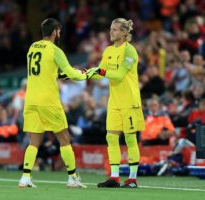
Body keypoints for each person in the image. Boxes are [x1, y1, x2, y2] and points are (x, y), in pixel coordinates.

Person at [18, 18, 96, 188]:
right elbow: (74, 75)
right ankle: (73, 178)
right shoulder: (55, 50)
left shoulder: (33, 47)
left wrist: (62, 75)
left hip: (31, 100)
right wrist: (88, 74)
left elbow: (47, 73)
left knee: (34, 141)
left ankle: (25, 178)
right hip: (48, 101)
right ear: (54, 32)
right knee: (64, 138)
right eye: (59, 31)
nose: (60, 34)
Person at [89, 18, 145, 188]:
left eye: (115, 29)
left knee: (129, 138)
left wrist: (100, 70)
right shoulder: (107, 51)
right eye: (111, 28)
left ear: (124, 33)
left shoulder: (130, 51)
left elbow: (119, 75)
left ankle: (132, 179)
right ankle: (114, 177)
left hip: (130, 101)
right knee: (111, 137)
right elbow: (100, 74)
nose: (111, 31)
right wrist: (85, 73)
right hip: (114, 101)